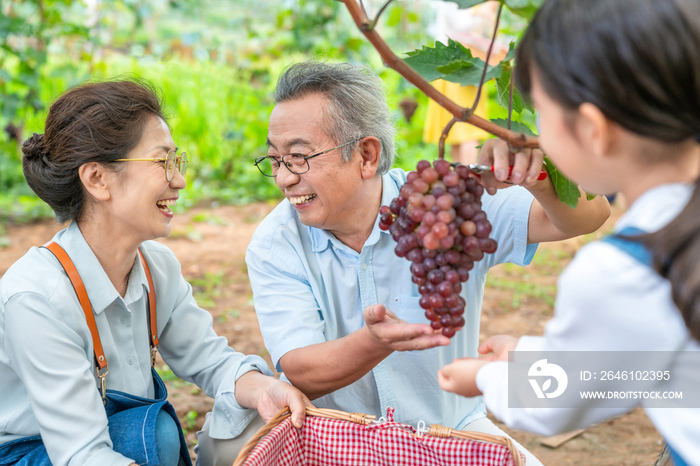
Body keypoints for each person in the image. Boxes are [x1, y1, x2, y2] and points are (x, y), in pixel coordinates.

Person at [245, 60, 611, 465]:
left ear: (366, 155)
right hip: (337, 442)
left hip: (452, 433)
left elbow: (591, 215)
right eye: (275, 160)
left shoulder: (447, 204)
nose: (283, 178)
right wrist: (374, 342)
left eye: (298, 157)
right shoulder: (276, 242)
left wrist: (536, 172)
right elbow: (301, 370)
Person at [437, 0, 700, 464]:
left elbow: (557, 397)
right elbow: (644, 361)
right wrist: (527, 353)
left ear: (594, 130)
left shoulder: (624, 270)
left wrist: (485, 379)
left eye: (540, 112)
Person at [0, 80, 311, 466]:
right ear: (98, 179)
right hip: (37, 452)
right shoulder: (36, 299)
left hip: (113, 438)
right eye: (162, 162)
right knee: (157, 436)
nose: (178, 180)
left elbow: (211, 361)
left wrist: (266, 387)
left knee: (232, 423)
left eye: (175, 161)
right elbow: (81, 454)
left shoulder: (154, 266)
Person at [422, 1, 508, 165]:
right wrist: (482, 11)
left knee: (460, 127)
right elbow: (460, 24)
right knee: (468, 127)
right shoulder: (461, 5)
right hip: (460, 65)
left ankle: (461, 179)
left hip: (458, 64)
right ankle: (466, 177)